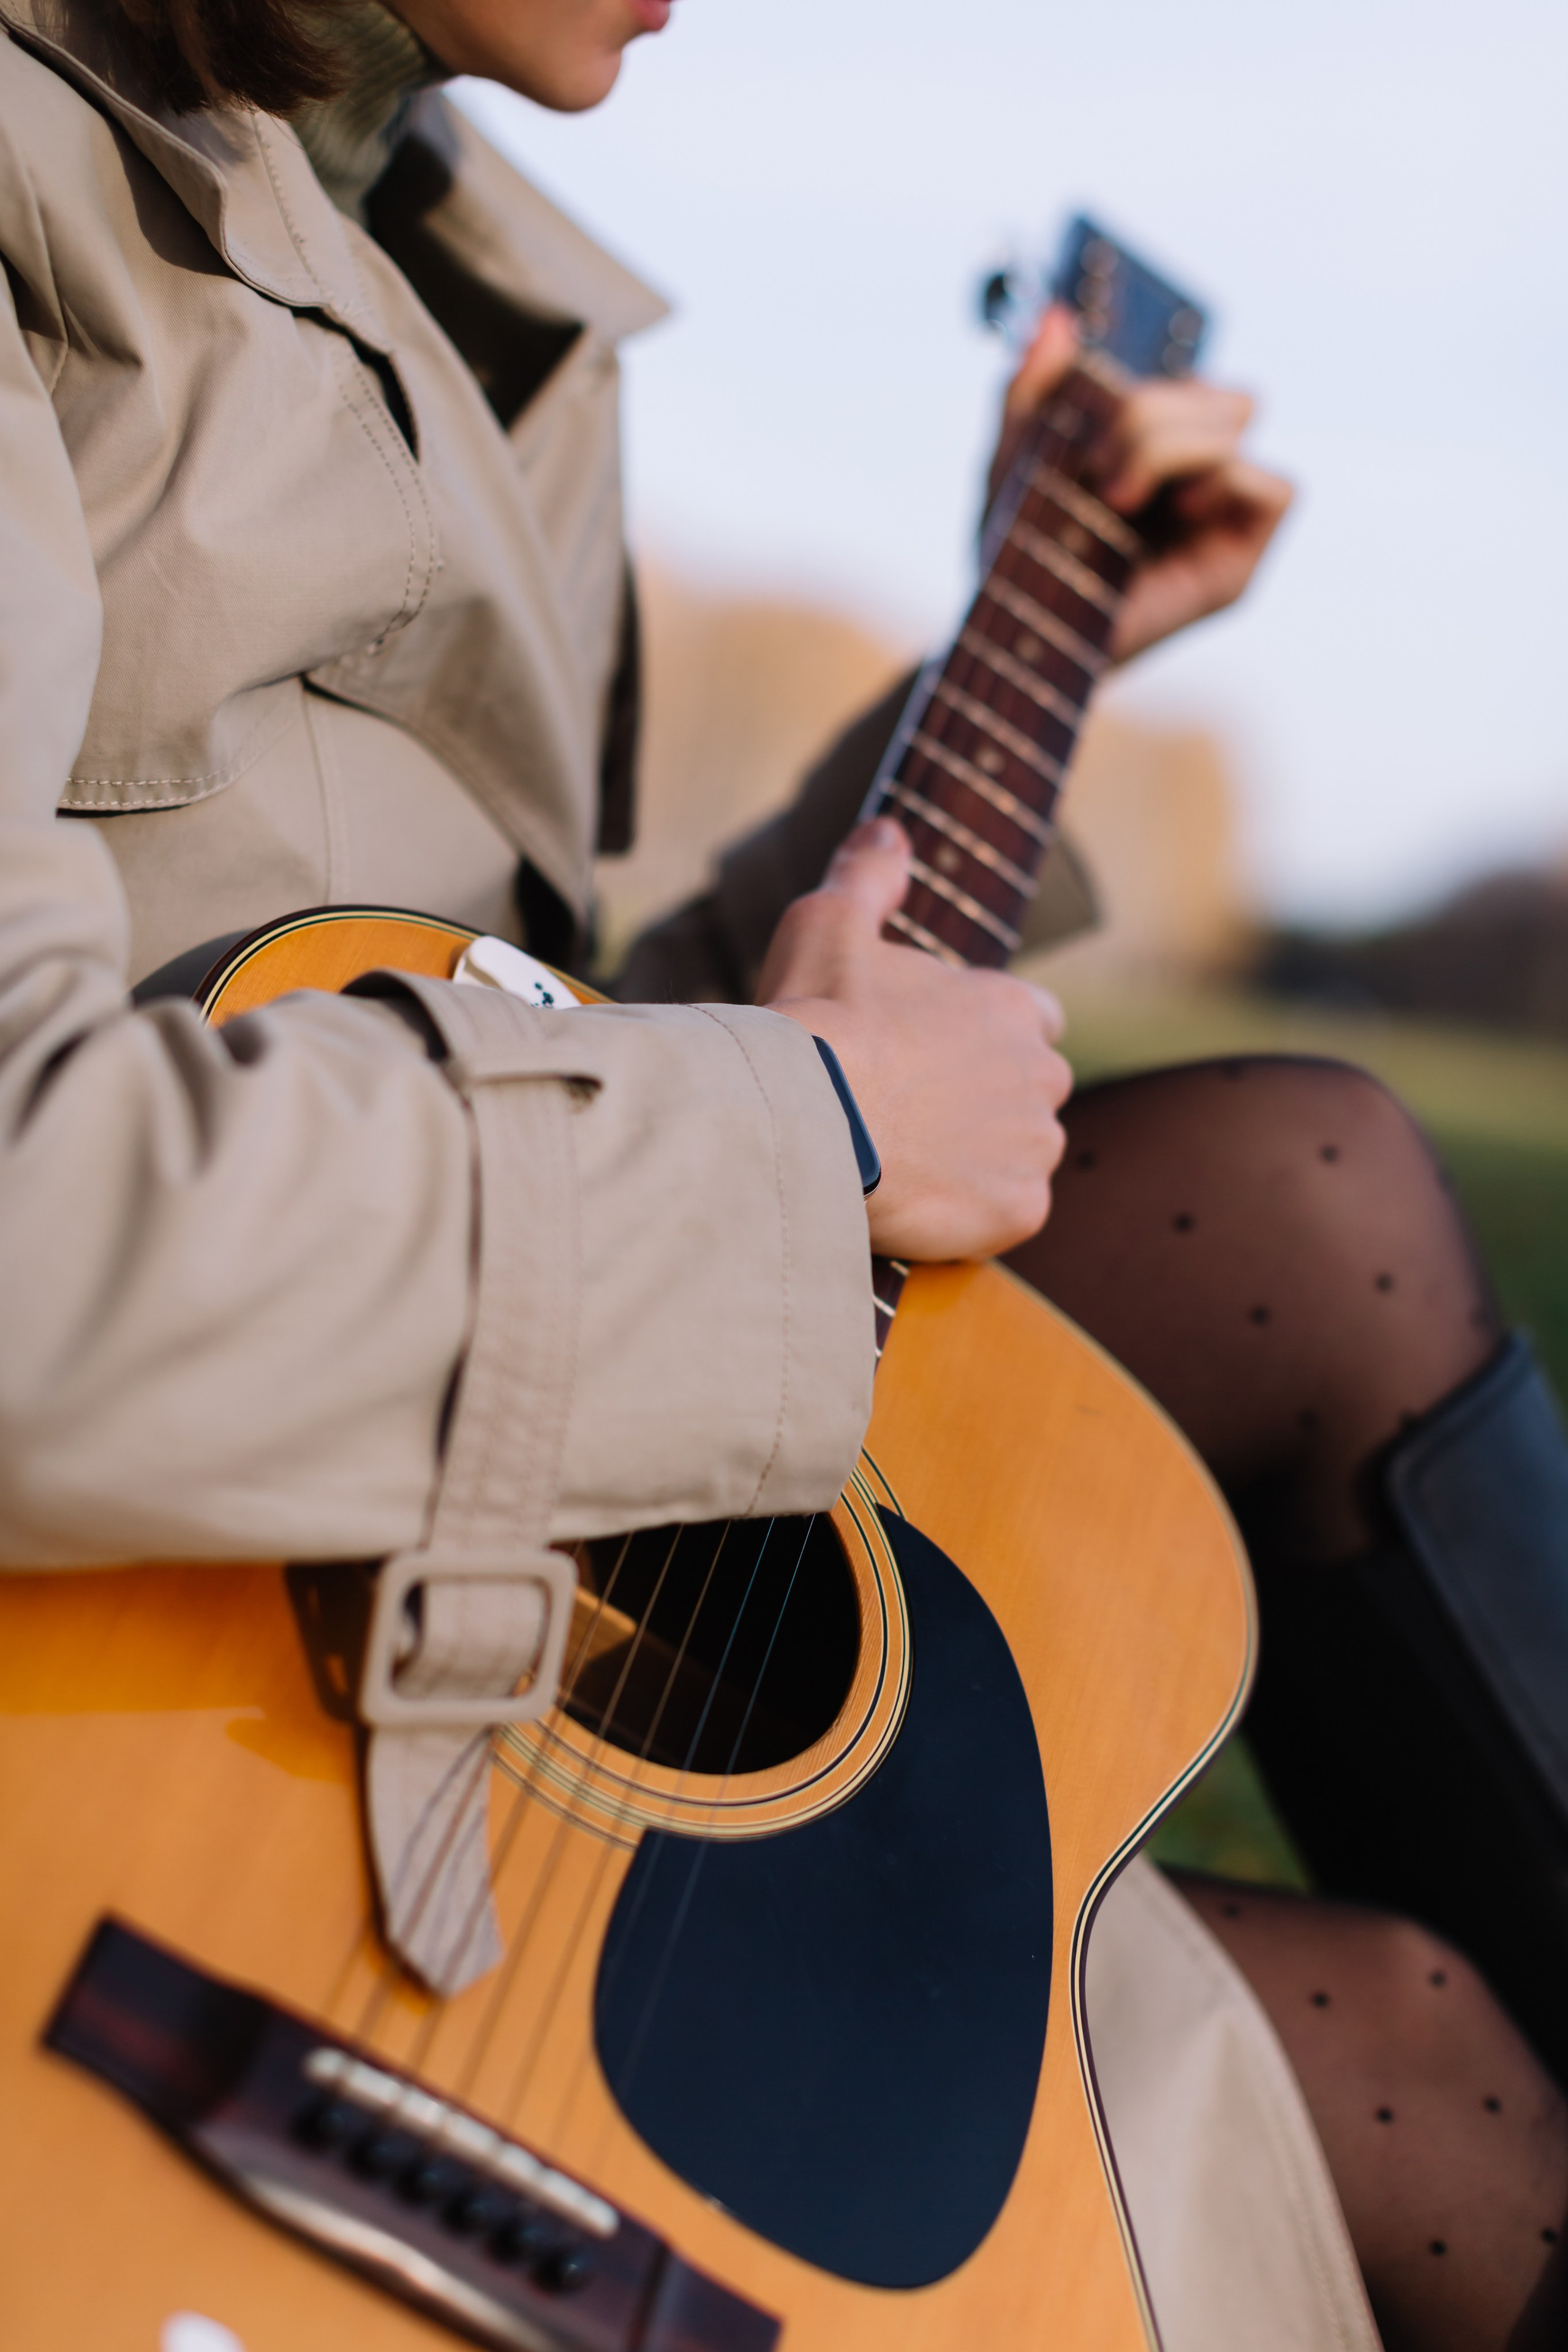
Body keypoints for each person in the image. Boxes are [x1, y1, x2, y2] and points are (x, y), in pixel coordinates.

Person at [0, 1, 1564, 2345]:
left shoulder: (462, 247)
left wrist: (1010, 664)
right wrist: (824, 1127)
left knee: (1316, 1206)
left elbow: (524, 1028)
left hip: (436, 1392)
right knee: (1404, 2056)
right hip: (192, 1547)